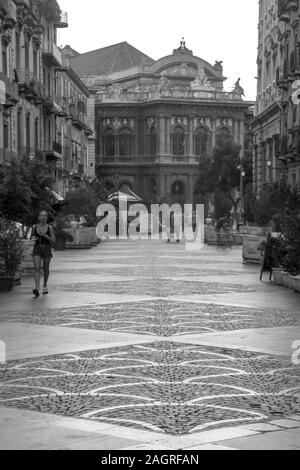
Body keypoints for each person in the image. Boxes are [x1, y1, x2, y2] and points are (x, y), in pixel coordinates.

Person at [31, 210, 56, 298]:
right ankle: (37, 288)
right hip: (37, 248)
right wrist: (33, 238)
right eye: (41, 215)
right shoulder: (34, 227)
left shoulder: (50, 228)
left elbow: (53, 240)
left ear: (46, 218)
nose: (43, 217)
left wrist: (45, 235)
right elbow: (32, 237)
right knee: (37, 268)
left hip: (46, 248)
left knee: (46, 269)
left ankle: (45, 285)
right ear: (38, 217)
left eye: (45, 216)